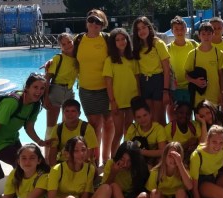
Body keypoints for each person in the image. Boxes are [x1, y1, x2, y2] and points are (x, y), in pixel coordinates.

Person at [73, 9, 113, 166]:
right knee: (95, 125)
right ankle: (95, 160)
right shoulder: (78, 39)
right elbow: (68, 55)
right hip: (87, 90)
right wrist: (52, 62)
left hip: (107, 89)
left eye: (98, 21)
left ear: (103, 25)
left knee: (109, 123)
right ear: (86, 21)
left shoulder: (107, 39)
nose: (94, 23)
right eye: (91, 19)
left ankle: (107, 158)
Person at [103, 27, 140, 157]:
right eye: (117, 40)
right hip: (118, 101)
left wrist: (139, 97)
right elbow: (108, 83)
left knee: (128, 132)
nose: (121, 42)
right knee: (118, 133)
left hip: (132, 100)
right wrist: (112, 101)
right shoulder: (110, 60)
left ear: (127, 40)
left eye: (123, 39)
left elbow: (137, 79)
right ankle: (114, 159)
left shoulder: (132, 59)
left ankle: (127, 158)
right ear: (113, 43)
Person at [132, 16, 171, 125]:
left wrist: (166, 91)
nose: (142, 31)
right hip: (144, 82)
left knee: (160, 118)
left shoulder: (158, 43)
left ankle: (163, 136)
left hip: (158, 81)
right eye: (138, 29)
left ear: (149, 27)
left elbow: (167, 69)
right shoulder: (137, 47)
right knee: (149, 117)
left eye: (143, 27)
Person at [43, 33, 77, 156]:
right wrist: (45, 98)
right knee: (51, 127)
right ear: (60, 46)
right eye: (63, 44)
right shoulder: (58, 58)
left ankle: (63, 154)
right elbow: (47, 79)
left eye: (69, 42)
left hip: (69, 91)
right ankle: (47, 156)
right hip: (56, 90)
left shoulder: (77, 59)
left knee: (67, 125)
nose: (67, 45)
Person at [46, 99, 98, 166]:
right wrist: (54, 169)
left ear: (79, 113)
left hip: (83, 164)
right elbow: (52, 155)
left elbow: (89, 155)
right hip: (63, 163)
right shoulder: (58, 128)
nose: (70, 114)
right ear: (63, 113)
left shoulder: (87, 128)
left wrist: (75, 169)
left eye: (73, 111)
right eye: (67, 111)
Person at [185, 22, 223, 108]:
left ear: (213, 35)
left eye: (209, 34)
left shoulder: (218, 53)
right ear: (199, 36)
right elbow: (186, 75)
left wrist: (221, 93)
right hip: (198, 96)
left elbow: (221, 75)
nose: (206, 37)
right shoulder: (193, 54)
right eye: (203, 34)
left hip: (214, 95)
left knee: (213, 117)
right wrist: (195, 81)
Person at [167, 16, 198, 112]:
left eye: (182, 28)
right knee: (174, 114)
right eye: (176, 29)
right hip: (175, 88)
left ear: (186, 29)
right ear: (172, 31)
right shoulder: (167, 48)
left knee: (190, 114)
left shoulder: (194, 45)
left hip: (191, 86)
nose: (179, 31)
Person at [125, 97, 167, 165]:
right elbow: (125, 146)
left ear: (150, 114)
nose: (143, 119)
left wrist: (141, 152)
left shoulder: (158, 128)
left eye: (145, 115)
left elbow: (162, 151)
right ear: (135, 118)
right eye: (139, 117)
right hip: (136, 160)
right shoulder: (133, 128)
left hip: (153, 160)